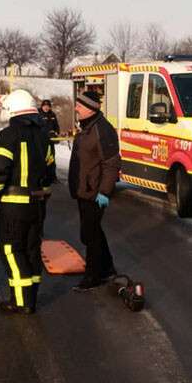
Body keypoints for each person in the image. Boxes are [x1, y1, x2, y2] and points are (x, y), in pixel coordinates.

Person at [0, 89, 55, 314]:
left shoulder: (8, 135)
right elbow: (50, 172)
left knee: (11, 249)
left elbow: (0, 170)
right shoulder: (44, 136)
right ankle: (31, 297)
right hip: (38, 203)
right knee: (32, 249)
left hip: (14, 204)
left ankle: (20, 301)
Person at [68, 90, 120, 292]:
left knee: (89, 234)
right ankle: (106, 268)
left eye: (79, 106)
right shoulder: (87, 127)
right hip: (84, 191)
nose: (76, 108)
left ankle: (93, 276)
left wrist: (105, 192)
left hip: (95, 193)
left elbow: (112, 163)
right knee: (93, 231)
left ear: (90, 109)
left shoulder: (102, 130)